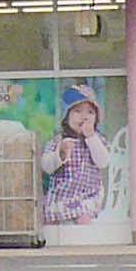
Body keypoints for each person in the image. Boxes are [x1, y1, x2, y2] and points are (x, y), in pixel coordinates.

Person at [40, 83, 109, 223]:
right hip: (61, 196)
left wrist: (91, 137)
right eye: (78, 111)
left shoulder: (98, 140)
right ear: (66, 117)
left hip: (88, 196)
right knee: (53, 221)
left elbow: (103, 162)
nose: (84, 117)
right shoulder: (59, 140)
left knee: (84, 218)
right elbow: (46, 166)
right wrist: (61, 153)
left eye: (90, 112)